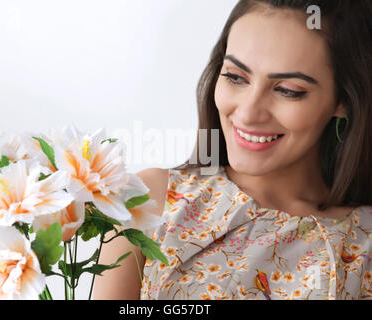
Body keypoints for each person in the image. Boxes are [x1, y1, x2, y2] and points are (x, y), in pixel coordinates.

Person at [92, 0, 372, 300]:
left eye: (288, 90)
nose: (249, 113)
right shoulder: (147, 201)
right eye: (236, 77)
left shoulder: (363, 244)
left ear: (343, 100)